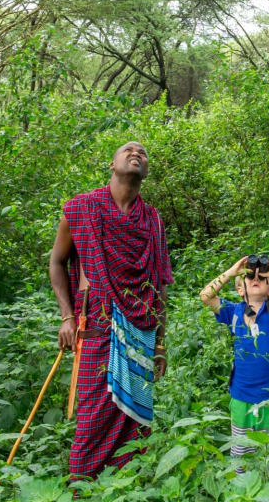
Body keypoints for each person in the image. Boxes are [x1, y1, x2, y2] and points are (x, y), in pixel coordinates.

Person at [49, 141, 172, 481]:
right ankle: (82, 488)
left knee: (135, 425)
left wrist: (160, 342)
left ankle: (125, 488)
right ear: (111, 163)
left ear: (146, 170)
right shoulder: (82, 208)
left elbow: (159, 283)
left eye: (144, 152)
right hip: (97, 325)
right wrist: (67, 316)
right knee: (91, 420)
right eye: (128, 150)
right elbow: (57, 262)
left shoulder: (153, 220)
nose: (137, 153)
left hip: (142, 330)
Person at [199, 256, 269, 460]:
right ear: (240, 290)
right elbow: (206, 296)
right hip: (242, 397)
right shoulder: (233, 312)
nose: (255, 279)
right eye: (249, 278)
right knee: (242, 456)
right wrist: (232, 271)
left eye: (262, 280)